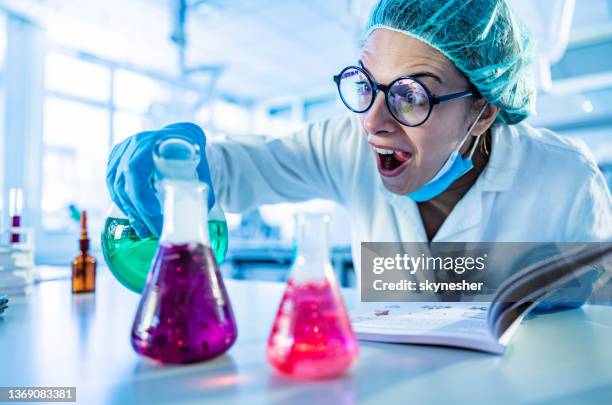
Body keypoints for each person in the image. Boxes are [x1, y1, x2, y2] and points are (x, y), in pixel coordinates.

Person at [107, 0, 611, 306]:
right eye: (366, 84)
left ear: (481, 113)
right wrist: (173, 164)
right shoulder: (345, 145)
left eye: (411, 94)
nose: (373, 121)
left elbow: (599, 321)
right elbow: (235, 171)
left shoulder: (565, 179)